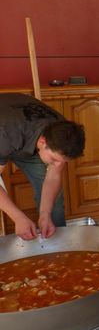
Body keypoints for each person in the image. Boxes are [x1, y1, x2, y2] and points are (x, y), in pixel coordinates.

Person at [0, 93, 85, 240]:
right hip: (6, 132)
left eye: (62, 161)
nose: (57, 165)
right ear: (43, 142)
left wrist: (45, 214)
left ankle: (57, 244)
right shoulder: (5, 134)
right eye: (54, 159)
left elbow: (53, 177)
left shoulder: (62, 131)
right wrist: (18, 218)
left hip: (25, 136)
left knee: (54, 200)